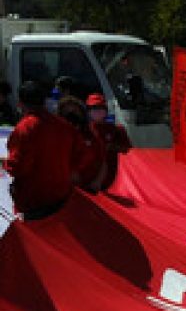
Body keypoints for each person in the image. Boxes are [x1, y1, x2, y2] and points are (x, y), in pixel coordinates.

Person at [4, 80, 86, 220]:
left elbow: (17, 167)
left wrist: (5, 164)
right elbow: (79, 155)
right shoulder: (64, 126)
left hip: (33, 201)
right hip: (62, 198)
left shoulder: (25, 128)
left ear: (20, 104)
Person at [57, 94, 105, 192]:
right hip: (64, 191)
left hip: (90, 189)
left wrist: (97, 182)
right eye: (67, 112)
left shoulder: (91, 136)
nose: (71, 114)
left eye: (75, 111)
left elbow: (103, 163)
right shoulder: (55, 136)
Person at [85, 92, 132, 190]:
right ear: (88, 111)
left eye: (100, 108)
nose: (97, 111)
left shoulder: (117, 130)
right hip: (89, 176)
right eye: (93, 108)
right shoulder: (84, 130)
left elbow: (129, 152)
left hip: (114, 177)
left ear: (105, 110)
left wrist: (112, 147)